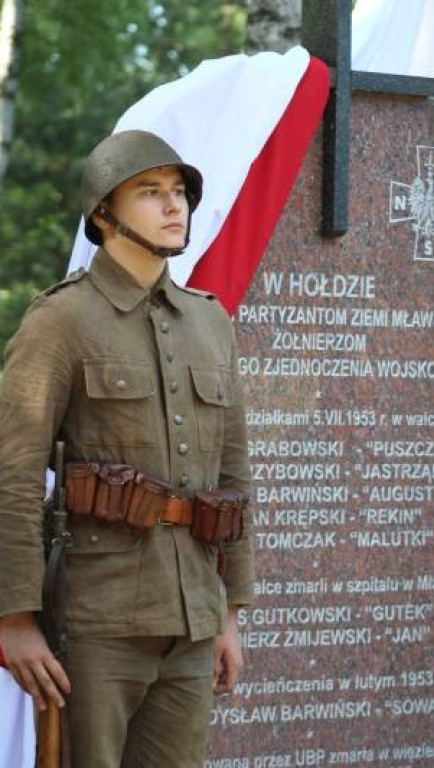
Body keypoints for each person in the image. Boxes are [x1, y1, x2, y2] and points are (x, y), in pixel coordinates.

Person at [0, 130, 253, 767]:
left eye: (179, 193)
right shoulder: (60, 319)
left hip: (193, 617)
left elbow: (234, 474)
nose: (174, 207)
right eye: (150, 192)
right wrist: (14, 617)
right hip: (96, 619)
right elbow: (14, 475)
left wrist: (229, 613)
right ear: (103, 214)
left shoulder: (210, 320)